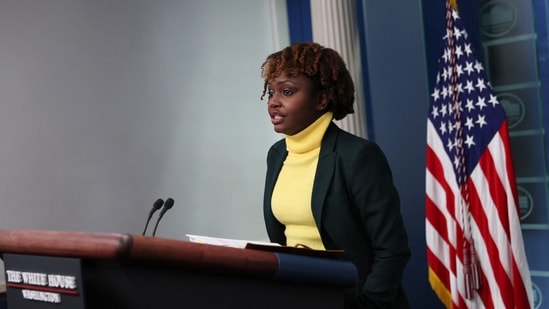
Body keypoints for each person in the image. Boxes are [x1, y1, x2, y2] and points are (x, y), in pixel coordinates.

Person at [260, 42, 411, 308]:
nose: (273, 102)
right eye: (271, 92)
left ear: (321, 99)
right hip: (297, 297)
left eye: (286, 92)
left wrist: (365, 303)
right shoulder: (277, 155)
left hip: (352, 300)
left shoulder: (358, 156)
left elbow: (392, 251)